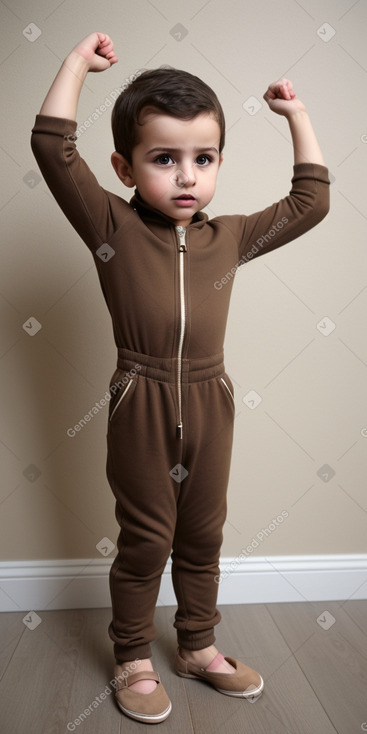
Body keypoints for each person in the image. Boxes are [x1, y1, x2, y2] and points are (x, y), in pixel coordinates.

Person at [31, 32, 330, 725]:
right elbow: (52, 148)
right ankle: (133, 655)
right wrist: (77, 64)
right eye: (164, 159)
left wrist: (297, 117)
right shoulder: (109, 221)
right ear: (126, 167)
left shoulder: (228, 236)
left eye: (203, 158)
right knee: (145, 538)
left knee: (203, 534)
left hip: (211, 399)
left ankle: (197, 645)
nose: (186, 176)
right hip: (138, 400)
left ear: (220, 162)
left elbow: (308, 202)